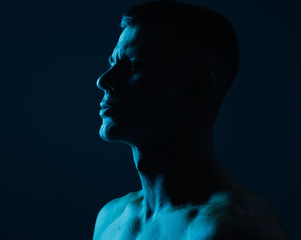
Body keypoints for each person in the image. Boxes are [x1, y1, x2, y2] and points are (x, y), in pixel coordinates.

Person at [93, 1, 290, 239]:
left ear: (197, 89)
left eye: (134, 65)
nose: (104, 80)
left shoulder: (233, 229)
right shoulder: (111, 218)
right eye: (112, 63)